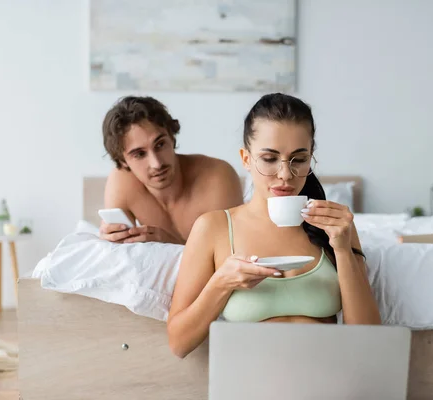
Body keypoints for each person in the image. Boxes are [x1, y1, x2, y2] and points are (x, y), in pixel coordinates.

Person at [166, 93, 381, 358]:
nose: (285, 174)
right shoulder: (213, 228)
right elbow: (178, 343)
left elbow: (370, 341)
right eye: (269, 159)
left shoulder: (336, 226)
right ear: (246, 159)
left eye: (298, 160)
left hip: (329, 380)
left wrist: (343, 250)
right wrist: (222, 282)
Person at [100, 96, 244, 245]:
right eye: (139, 154)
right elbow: (119, 254)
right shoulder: (121, 182)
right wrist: (112, 237)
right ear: (123, 162)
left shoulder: (218, 177)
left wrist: (171, 244)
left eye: (160, 144)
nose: (157, 163)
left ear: (172, 137)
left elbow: (230, 253)